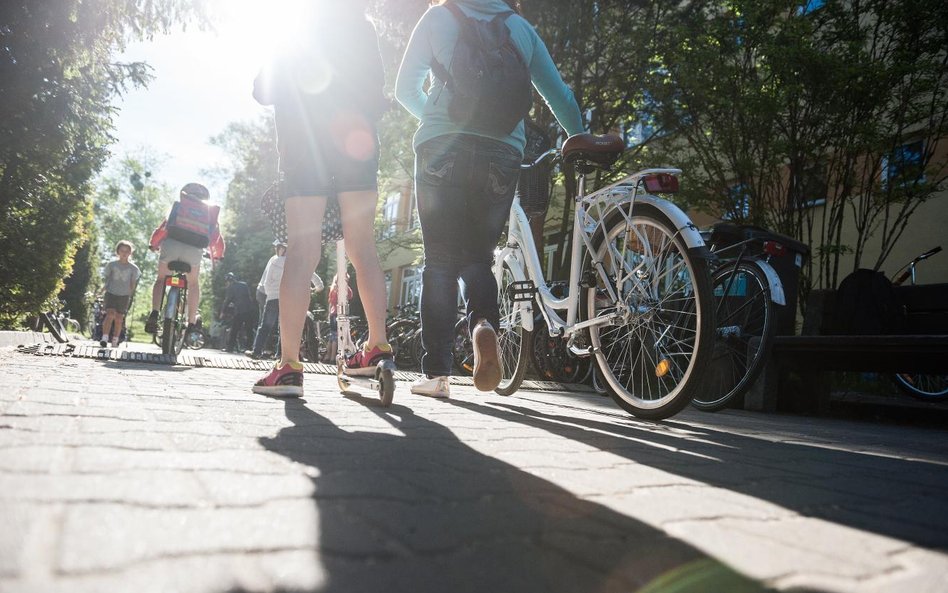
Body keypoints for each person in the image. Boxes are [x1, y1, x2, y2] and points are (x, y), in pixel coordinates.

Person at [395, 0, 585, 398]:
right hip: (503, 154)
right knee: (478, 259)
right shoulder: (519, 27)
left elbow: (404, 89)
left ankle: (437, 375)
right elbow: (559, 96)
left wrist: (435, 118)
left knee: (440, 262)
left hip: (441, 148)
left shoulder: (438, 18)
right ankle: (483, 326)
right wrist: (579, 136)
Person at [251, 0, 393, 397]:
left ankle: (290, 367)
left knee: (302, 251)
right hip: (356, 142)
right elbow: (377, 91)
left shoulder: (295, 26)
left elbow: (263, 90)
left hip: (304, 148)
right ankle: (377, 347)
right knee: (363, 247)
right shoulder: (362, 27)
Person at [145, 183, 225, 335]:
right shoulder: (208, 214)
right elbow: (216, 240)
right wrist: (218, 256)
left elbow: (163, 228)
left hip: (171, 246)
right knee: (193, 284)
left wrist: (153, 245)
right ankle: (191, 323)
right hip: (193, 251)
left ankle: (154, 313)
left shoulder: (179, 207)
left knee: (161, 279)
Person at [99, 240, 141, 348]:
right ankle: (104, 338)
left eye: (127, 251)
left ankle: (115, 339)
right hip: (111, 293)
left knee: (119, 318)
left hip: (124, 295)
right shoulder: (111, 265)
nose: (124, 253)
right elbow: (107, 279)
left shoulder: (134, 268)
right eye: (122, 250)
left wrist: (130, 295)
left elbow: (133, 283)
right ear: (118, 252)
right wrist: (102, 289)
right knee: (110, 315)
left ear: (130, 253)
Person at [220, 273, 257, 353]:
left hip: (239, 311)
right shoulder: (244, 285)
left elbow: (227, 300)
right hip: (249, 309)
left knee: (234, 330)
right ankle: (249, 348)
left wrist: (223, 312)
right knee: (249, 330)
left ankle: (230, 348)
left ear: (228, 281)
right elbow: (248, 296)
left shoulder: (231, 288)